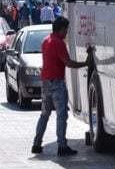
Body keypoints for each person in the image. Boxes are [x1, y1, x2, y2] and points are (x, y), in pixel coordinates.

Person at [32, 17, 92, 156]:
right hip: (57, 82)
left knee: (44, 114)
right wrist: (85, 63)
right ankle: (62, 146)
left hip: (45, 81)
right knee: (61, 115)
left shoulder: (46, 41)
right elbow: (68, 63)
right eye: (66, 30)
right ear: (61, 29)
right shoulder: (58, 43)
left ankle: (36, 144)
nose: (66, 33)